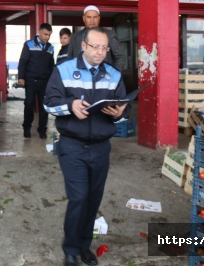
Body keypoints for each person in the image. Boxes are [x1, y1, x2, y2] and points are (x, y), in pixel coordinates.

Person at [43, 27, 130, 266]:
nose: (100, 52)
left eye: (104, 48)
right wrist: (70, 105)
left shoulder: (113, 74)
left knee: (93, 199)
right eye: (95, 47)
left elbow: (124, 112)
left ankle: (84, 245)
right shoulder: (64, 70)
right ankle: (70, 249)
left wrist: (119, 113)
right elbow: (48, 104)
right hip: (72, 146)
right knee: (79, 197)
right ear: (83, 46)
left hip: (101, 147)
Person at [18, 23, 55, 139]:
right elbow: (23, 61)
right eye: (45, 34)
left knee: (44, 106)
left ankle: (42, 130)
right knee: (29, 104)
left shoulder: (50, 48)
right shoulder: (29, 44)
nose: (47, 37)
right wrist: (21, 77)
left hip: (44, 82)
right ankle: (27, 127)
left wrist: (51, 81)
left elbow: (51, 66)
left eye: (49, 35)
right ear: (40, 32)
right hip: (30, 80)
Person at [67, 5, 126, 71]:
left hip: (103, 76)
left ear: (99, 18)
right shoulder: (75, 37)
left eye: (95, 17)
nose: (92, 21)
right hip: (79, 76)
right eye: (89, 17)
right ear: (84, 19)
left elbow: (121, 57)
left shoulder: (109, 35)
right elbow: (69, 59)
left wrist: (113, 74)